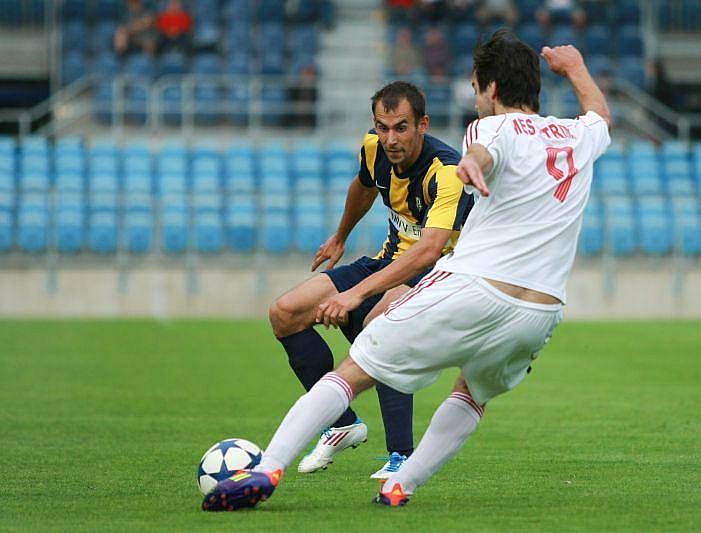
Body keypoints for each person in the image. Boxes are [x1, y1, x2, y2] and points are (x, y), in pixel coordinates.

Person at [202, 30, 611, 511]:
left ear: (491, 88)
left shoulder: (490, 129)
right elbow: (601, 117)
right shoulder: (576, 135)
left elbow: (483, 151)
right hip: (540, 312)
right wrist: (577, 68)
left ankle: (267, 470)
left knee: (357, 367)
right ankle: (402, 483)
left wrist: (474, 164)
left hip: (476, 285)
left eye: (477, 87)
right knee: (471, 392)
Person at [266, 81, 474, 479]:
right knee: (285, 313)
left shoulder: (446, 172)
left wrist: (355, 295)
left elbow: (429, 251)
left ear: (422, 125)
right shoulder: (374, 148)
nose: (390, 138)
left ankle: (400, 455)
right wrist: (340, 237)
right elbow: (362, 188)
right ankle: (342, 423)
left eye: (401, 127)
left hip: (440, 272)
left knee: (383, 323)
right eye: (383, 127)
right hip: (386, 262)